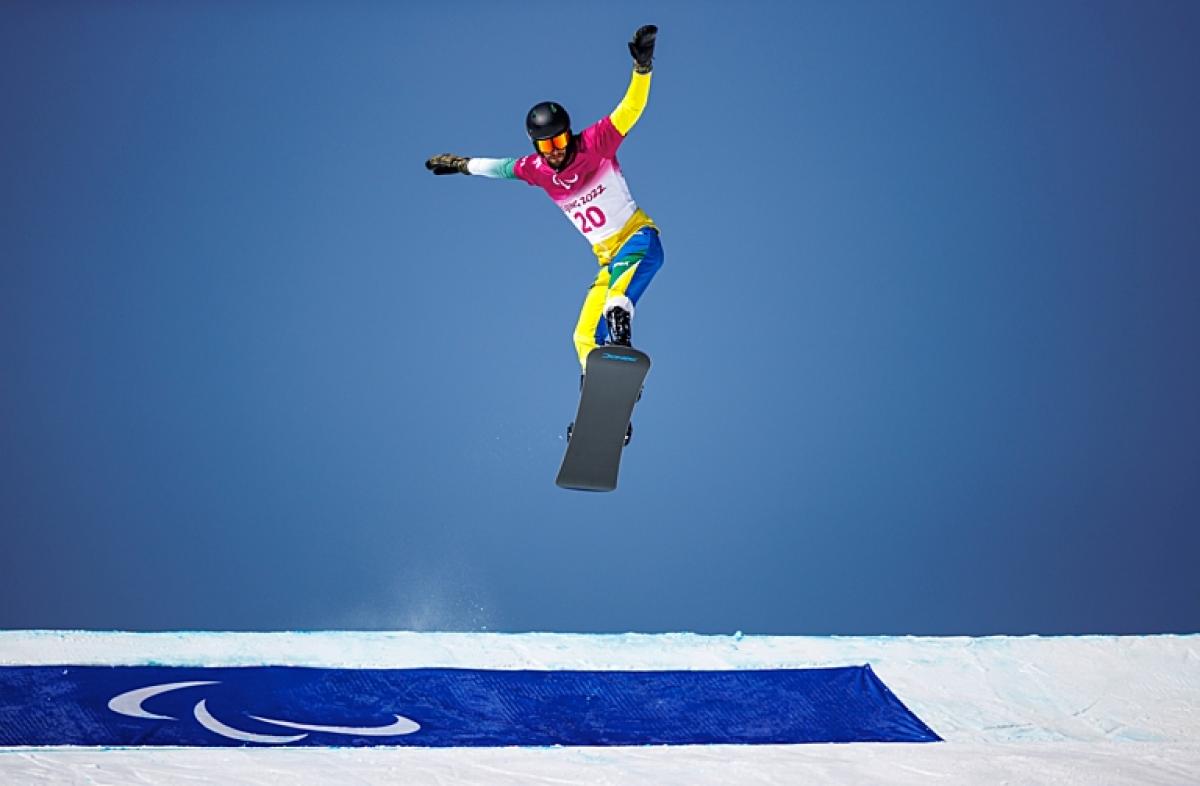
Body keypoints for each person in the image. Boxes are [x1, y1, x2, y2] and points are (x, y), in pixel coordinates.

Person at [425, 25, 663, 376]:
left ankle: (622, 354)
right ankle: (602, 407)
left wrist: (642, 69)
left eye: (561, 140)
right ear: (537, 147)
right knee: (582, 337)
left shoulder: (596, 144)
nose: (557, 151)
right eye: (547, 146)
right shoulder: (537, 170)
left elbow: (631, 107)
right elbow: (502, 168)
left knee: (616, 303)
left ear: (570, 133)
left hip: (638, 241)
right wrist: (463, 165)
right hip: (607, 262)